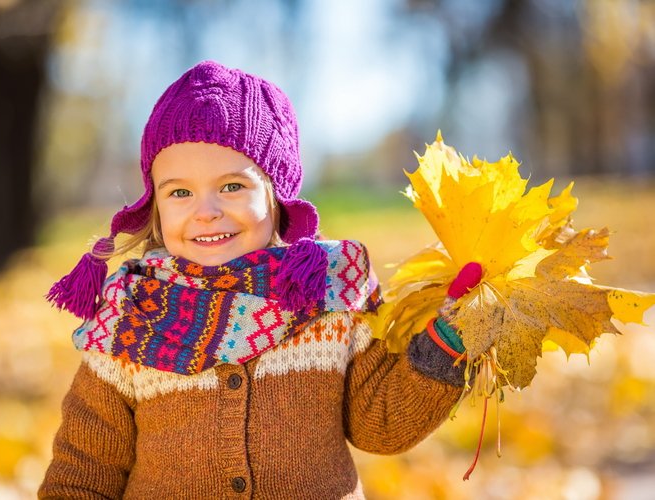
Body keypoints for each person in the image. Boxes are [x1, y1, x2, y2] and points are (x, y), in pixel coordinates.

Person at [38, 60, 481, 499]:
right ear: (154, 205)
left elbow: (381, 423)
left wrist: (447, 341)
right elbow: (85, 469)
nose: (206, 210)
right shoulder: (132, 317)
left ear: (279, 195)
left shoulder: (328, 295)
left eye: (232, 186)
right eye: (179, 192)